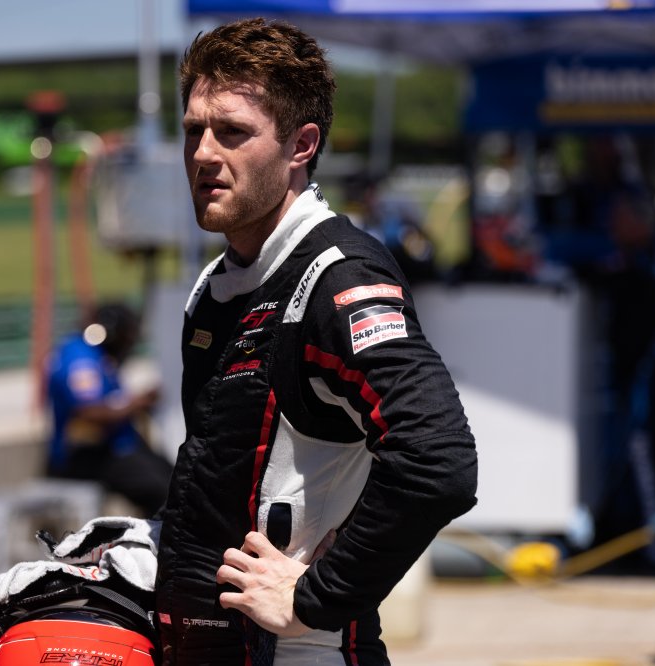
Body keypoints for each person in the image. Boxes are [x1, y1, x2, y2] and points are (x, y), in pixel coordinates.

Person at [154, 18, 478, 665]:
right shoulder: (216, 284)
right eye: (193, 130)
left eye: (232, 132)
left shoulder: (337, 278)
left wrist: (313, 598)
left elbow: (438, 460)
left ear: (301, 145)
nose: (204, 153)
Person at [45, 302, 173, 517]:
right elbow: (88, 412)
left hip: (116, 448)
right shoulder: (81, 359)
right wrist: (135, 404)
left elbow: (110, 400)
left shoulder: (95, 354)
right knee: (162, 492)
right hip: (86, 455)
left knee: (180, 479)